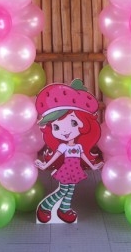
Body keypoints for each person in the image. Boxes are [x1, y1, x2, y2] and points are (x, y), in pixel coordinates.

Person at [34, 79, 103, 224]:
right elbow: (55, 157)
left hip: (75, 170)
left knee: (70, 190)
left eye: (73, 123)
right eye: (56, 127)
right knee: (62, 190)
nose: (65, 131)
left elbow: (83, 156)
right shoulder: (63, 147)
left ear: (83, 124)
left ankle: (64, 210)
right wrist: (45, 166)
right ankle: (45, 207)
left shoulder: (77, 147)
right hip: (66, 170)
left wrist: (93, 166)